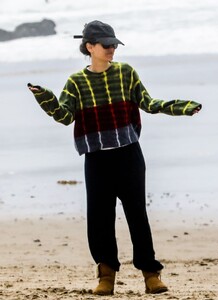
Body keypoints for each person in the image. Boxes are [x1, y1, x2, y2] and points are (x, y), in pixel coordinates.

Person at [28, 20, 201, 295]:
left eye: (114, 45)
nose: (112, 49)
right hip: (96, 160)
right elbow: (63, 116)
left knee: (137, 215)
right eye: (106, 45)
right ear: (89, 47)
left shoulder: (126, 73)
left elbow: (149, 103)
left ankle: (150, 274)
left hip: (129, 155)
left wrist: (180, 107)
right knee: (99, 219)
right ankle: (106, 275)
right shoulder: (76, 82)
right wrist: (44, 97)